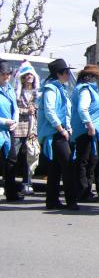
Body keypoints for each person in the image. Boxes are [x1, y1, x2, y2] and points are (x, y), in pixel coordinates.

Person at [37, 58, 79, 210]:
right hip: (55, 133)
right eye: (67, 72)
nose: (69, 74)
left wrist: (68, 127)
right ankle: (71, 200)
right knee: (68, 165)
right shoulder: (51, 89)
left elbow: (65, 111)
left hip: (60, 131)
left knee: (56, 167)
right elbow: (50, 111)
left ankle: (52, 200)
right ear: (59, 73)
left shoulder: (60, 88)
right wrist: (61, 128)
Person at [70, 64, 99, 202]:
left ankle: (86, 189)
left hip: (89, 130)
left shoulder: (89, 89)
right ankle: (83, 191)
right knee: (84, 161)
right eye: (95, 77)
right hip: (86, 131)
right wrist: (89, 125)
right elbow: (82, 108)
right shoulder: (85, 90)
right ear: (89, 77)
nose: (96, 79)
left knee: (91, 161)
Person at [13, 61, 40, 196]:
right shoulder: (17, 92)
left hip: (32, 129)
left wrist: (35, 109)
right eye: (27, 74)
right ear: (22, 77)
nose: (29, 76)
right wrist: (25, 111)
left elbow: (40, 109)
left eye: (31, 74)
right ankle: (9, 183)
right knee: (13, 156)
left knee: (30, 157)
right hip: (19, 128)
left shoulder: (37, 93)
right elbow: (14, 110)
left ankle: (27, 183)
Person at [0, 60, 21, 201]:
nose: (7, 77)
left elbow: (16, 108)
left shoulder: (10, 89)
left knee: (11, 160)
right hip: (1, 128)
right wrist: (4, 121)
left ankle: (11, 192)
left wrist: (15, 121)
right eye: (3, 74)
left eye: (8, 74)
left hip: (9, 131)